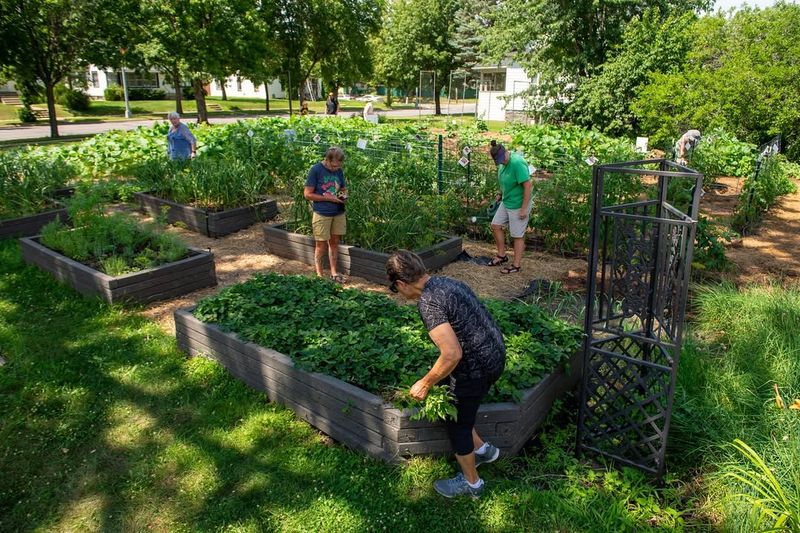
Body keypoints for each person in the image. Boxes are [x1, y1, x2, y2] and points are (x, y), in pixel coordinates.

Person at [386, 250, 506, 499]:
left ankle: (472, 483)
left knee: (457, 424)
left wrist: (425, 383)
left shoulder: (428, 302)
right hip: (494, 357)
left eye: (396, 289)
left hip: (475, 369)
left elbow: (452, 354)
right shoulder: (449, 283)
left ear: (400, 283)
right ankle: (483, 451)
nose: (399, 294)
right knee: (461, 411)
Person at [487, 140, 532, 274]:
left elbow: (528, 186)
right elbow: (505, 182)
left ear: (506, 152)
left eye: (503, 158)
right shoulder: (502, 164)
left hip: (518, 204)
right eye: (499, 161)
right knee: (495, 225)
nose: (502, 162)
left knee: (517, 235)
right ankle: (502, 255)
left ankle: (516, 265)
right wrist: (500, 194)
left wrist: (524, 208)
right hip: (507, 202)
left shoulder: (517, 163)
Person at [304, 146, 348, 283]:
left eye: (339, 166)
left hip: (338, 212)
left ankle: (333, 273)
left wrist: (343, 197)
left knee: (334, 243)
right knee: (321, 245)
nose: (336, 168)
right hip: (322, 213)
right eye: (334, 166)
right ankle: (319, 276)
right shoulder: (316, 170)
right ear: (327, 160)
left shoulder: (339, 170)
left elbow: (342, 188)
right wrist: (328, 198)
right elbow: (307, 194)